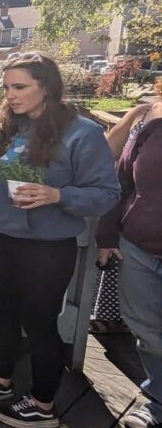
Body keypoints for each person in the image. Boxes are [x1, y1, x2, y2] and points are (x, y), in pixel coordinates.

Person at [0, 53, 119, 428]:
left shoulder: (81, 132)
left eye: (20, 87)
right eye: (6, 87)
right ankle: (1, 381)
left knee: (40, 322)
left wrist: (58, 195)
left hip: (47, 246)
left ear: (47, 87)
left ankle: (43, 405)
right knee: (1, 313)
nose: (10, 95)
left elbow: (107, 193)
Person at [96, 85, 162, 428]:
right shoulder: (152, 117)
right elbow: (121, 177)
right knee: (147, 329)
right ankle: (158, 402)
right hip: (139, 245)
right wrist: (106, 234)